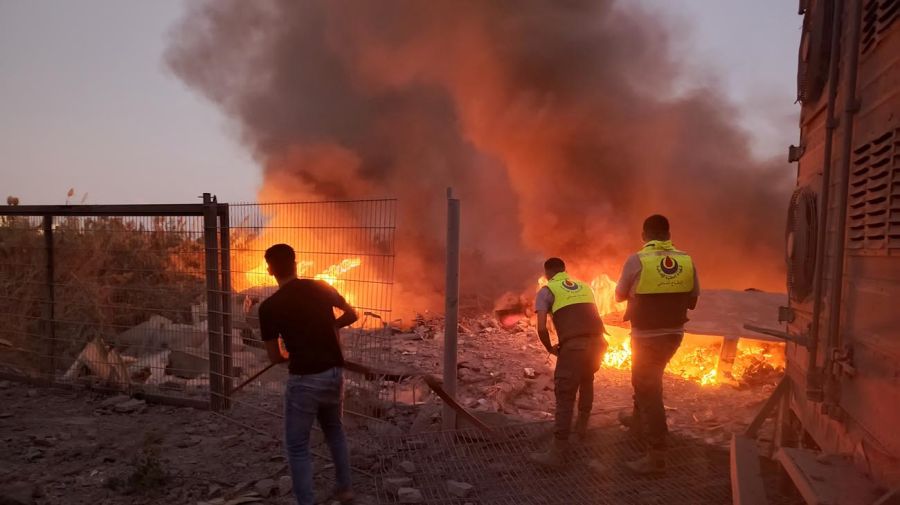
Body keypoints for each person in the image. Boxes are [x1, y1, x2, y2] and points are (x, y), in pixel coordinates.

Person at [258, 244, 358, 505]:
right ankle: (345, 489)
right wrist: (330, 327)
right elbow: (352, 314)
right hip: (335, 374)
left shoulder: (269, 307)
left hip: (304, 381)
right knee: (334, 430)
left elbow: (275, 357)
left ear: (270, 270)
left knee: (298, 446)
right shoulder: (320, 287)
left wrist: (288, 355)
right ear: (296, 263)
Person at [615, 215, 699, 474]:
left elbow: (618, 296)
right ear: (667, 234)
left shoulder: (637, 260)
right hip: (674, 335)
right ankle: (638, 421)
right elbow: (693, 299)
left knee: (649, 390)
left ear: (644, 234)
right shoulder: (686, 260)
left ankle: (657, 455)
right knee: (645, 381)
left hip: (646, 336)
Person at [529, 257, 607, 467]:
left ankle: (558, 451)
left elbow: (542, 328)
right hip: (599, 342)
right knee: (586, 378)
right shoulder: (584, 286)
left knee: (564, 393)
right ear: (565, 270)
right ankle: (581, 429)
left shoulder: (546, 291)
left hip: (575, 346)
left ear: (547, 274)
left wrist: (549, 348)